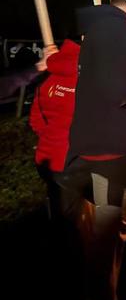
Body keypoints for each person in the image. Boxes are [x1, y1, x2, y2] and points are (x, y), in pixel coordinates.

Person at [61, 0, 126, 300]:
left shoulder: (101, 27)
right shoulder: (116, 32)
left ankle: (97, 296)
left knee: (100, 236)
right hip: (108, 155)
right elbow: (119, 90)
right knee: (107, 236)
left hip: (92, 144)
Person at [29, 39, 81, 210]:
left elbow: (36, 120)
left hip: (47, 158)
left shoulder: (47, 76)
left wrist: (51, 137)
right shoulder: (90, 76)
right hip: (73, 162)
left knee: (57, 204)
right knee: (75, 214)